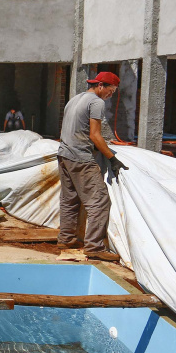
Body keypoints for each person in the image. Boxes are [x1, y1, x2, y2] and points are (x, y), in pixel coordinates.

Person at [57, 71, 129, 261]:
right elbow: (95, 136)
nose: (110, 95)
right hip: (80, 157)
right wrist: (112, 158)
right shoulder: (97, 102)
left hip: (64, 155)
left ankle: (66, 238)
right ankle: (94, 247)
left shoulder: (75, 99)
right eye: (110, 91)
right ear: (101, 86)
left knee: (69, 199)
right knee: (99, 201)